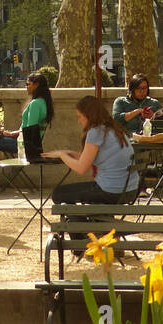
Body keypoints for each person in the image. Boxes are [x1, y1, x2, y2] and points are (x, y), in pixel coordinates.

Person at [46, 97, 139, 252]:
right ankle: (101, 235)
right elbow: (90, 158)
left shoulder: (95, 131)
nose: (79, 121)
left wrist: (63, 156)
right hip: (129, 190)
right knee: (71, 197)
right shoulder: (114, 128)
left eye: (80, 116)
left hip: (110, 191)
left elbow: (82, 168)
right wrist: (69, 154)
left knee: (59, 195)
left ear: (89, 116)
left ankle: (81, 244)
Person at [0, 73, 54, 190]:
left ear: (36, 85)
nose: (26, 87)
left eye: (28, 84)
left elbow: (29, 130)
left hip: (25, 145)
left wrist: (12, 134)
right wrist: (12, 133)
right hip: (30, 144)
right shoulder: (44, 103)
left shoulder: (35, 104)